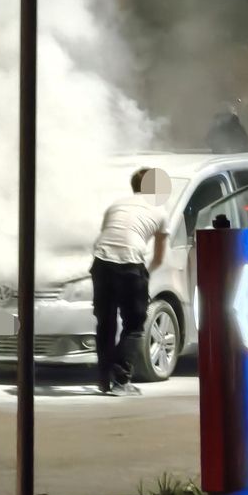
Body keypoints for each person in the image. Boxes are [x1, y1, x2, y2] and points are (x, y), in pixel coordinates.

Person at [90, 168, 169, 396]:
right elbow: (159, 257)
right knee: (134, 326)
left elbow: (106, 236)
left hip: (101, 264)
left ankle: (103, 379)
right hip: (130, 266)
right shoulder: (160, 211)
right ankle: (122, 381)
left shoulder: (115, 205)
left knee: (105, 324)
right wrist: (146, 275)